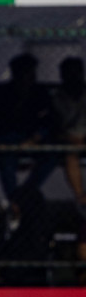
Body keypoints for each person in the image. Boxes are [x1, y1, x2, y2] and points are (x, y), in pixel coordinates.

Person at [0, 54, 55, 199]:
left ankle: (23, 195)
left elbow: (48, 120)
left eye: (32, 72)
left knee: (52, 156)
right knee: (5, 158)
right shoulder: (3, 92)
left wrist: (34, 139)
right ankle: (15, 200)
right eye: (25, 72)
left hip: (34, 138)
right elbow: (4, 121)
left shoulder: (40, 92)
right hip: (9, 138)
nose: (30, 76)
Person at [53, 56, 86, 206]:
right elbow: (54, 127)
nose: (73, 77)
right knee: (71, 154)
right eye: (69, 73)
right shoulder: (57, 98)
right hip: (69, 140)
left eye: (76, 73)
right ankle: (81, 197)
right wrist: (69, 137)